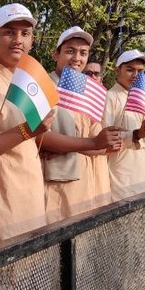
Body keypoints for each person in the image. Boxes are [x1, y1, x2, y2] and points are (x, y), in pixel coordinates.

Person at [0, 3, 53, 244]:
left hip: (32, 192)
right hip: (2, 196)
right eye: (9, 32)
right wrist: (28, 130)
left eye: (25, 34)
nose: (18, 40)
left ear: (32, 40)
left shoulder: (30, 79)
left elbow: (36, 142)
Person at [40, 26, 121, 221]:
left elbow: (100, 142)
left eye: (83, 53)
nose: (77, 58)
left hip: (85, 181)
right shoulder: (43, 85)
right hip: (55, 183)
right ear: (55, 54)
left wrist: (91, 143)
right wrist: (91, 143)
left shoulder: (87, 91)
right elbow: (39, 137)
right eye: (70, 51)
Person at [103, 49, 145, 200]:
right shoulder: (110, 97)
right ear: (117, 70)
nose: (135, 75)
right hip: (120, 174)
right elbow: (104, 137)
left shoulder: (142, 97)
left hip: (142, 171)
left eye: (140, 71)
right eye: (129, 70)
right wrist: (135, 135)